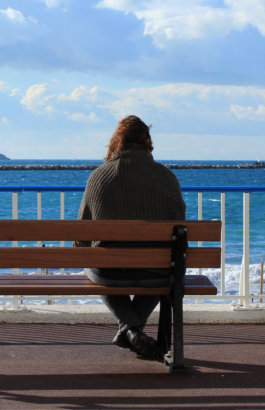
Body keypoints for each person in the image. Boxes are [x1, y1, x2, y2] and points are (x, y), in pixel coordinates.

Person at [74, 116, 186, 359]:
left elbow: (81, 236)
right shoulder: (167, 177)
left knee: (92, 262)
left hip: (110, 273)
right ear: (148, 143)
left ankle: (130, 329)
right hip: (156, 271)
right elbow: (180, 228)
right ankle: (133, 330)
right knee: (167, 267)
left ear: (116, 142)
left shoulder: (99, 177)